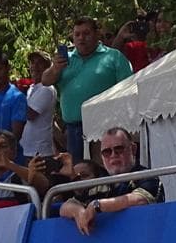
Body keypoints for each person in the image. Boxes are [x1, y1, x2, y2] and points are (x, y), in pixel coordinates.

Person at [42, 18, 132, 162]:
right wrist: (55, 68)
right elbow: (45, 80)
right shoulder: (66, 59)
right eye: (77, 34)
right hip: (74, 130)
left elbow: (129, 89)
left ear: (97, 34)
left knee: (107, 170)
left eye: (86, 33)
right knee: (80, 174)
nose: (81, 38)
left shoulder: (114, 57)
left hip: (107, 127)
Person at [59, 127, 160, 235]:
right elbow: (67, 205)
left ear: (133, 149)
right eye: (107, 152)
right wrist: (78, 212)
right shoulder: (99, 184)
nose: (113, 155)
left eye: (119, 149)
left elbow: (140, 200)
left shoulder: (147, 175)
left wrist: (97, 206)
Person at [20, 50, 58, 160]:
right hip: (28, 149)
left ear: (47, 67)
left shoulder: (46, 88)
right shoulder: (32, 88)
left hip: (40, 151)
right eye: (32, 63)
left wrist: (16, 95)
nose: (35, 66)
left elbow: (30, 115)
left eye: (39, 63)